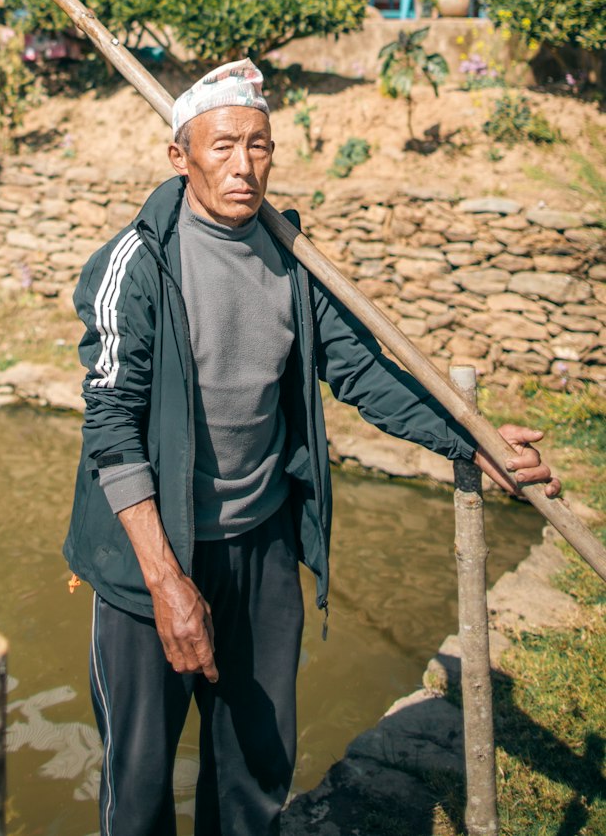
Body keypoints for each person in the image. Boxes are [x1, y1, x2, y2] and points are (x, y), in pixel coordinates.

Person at [64, 58, 561, 836]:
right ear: (179, 156)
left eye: (259, 146)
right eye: (222, 146)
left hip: (259, 545)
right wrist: (166, 584)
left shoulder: (294, 259)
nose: (243, 165)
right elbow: (111, 427)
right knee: (138, 786)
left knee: (255, 774)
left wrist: (472, 440)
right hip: (151, 556)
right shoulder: (139, 264)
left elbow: (360, 370)